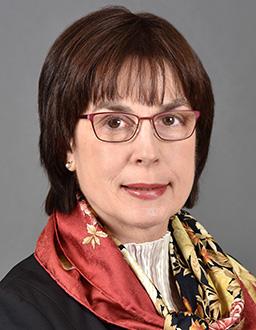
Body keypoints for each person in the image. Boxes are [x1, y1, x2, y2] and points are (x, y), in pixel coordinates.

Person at [0, 5, 255, 330]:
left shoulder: (232, 287)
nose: (148, 152)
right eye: (115, 122)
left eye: (170, 119)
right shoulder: (20, 312)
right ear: (66, 145)